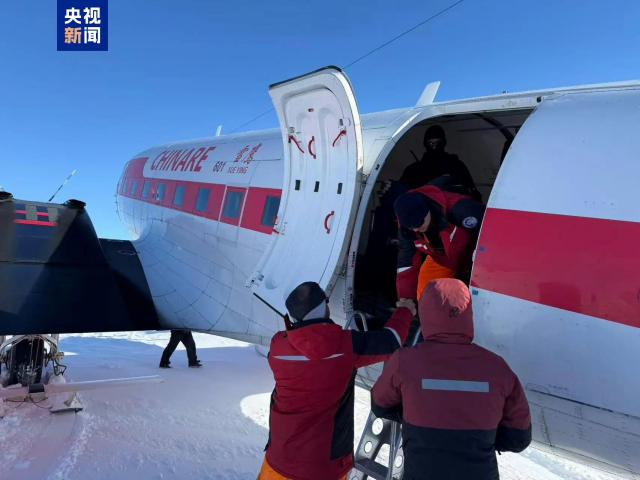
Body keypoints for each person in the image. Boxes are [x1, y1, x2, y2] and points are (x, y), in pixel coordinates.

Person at [371, 278, 532, 480]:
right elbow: (519, 438)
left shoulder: (404, 361)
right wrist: (482, 438)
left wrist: (414, 412)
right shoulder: (498, 368)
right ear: (468, 314)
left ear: (425, 313)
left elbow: (380, 405)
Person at [258, 281, 415, 480]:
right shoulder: (344, 346)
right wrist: (405, 310)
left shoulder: (278, 347)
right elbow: (391, 341)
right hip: (323, 469)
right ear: (324, 308)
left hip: (277, 461)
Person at [394, 181, 484, 301]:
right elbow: (406, 262)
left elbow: (492, 231)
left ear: (427, 210)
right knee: (426, 297)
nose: (416, 229)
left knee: (477, 297)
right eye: (411, 226)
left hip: (474, 255)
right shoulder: (407, 229)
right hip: (441, 258)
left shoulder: (461, 209)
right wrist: (405, 300)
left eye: (419, 223)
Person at [398, 124, 481, 200]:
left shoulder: (456, 166)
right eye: (430, 143)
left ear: (443, 143)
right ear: (425, 144)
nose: (434, 147)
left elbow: (472, 193)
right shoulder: (413, 170)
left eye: (438, 143)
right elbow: (400, 192)